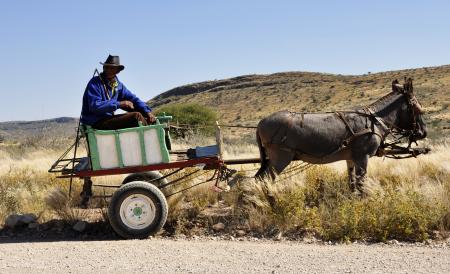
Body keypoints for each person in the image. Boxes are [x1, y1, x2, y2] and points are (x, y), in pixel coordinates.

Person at [81, 55, 156, 130]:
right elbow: (95, 106)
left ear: (118, 71)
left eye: (112, 68)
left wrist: (147, 112)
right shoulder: (95, 83)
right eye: (106, 67)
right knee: (136, 116)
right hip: (95, 122)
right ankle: (151, 135)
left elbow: (133, 99)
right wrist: (119, 104)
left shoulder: (118, 85)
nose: (107, 70)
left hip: (107, 119)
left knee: (145, 116)